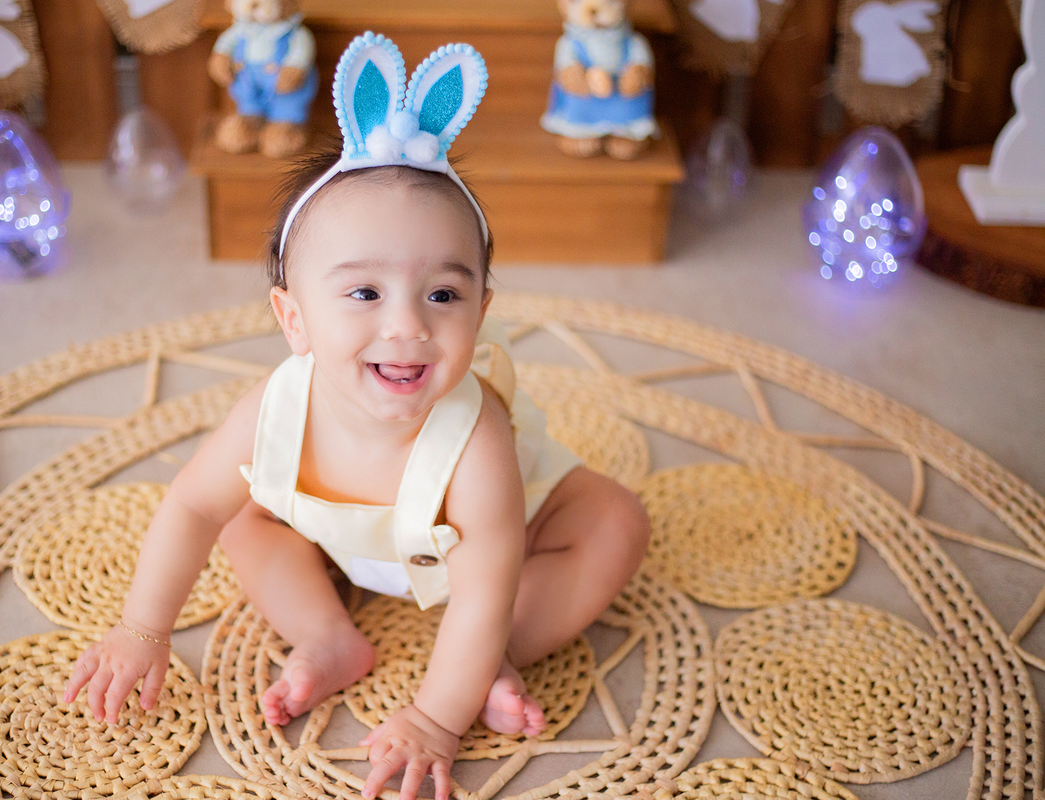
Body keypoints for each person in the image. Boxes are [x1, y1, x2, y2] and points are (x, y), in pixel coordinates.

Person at [64, 33, 649, 800]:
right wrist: (143, 627)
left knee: (614, 522)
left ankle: (490, 656)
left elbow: (483, 580)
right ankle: (326, 634)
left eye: (444, 294)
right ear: (294, 318)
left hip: (492, 555)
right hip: (342, 540)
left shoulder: (477, 441)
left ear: (482, 309)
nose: (407, 326)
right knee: (244, 514)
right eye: (364, 294)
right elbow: (191, 506)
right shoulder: (275, 408)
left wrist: (439, 717)